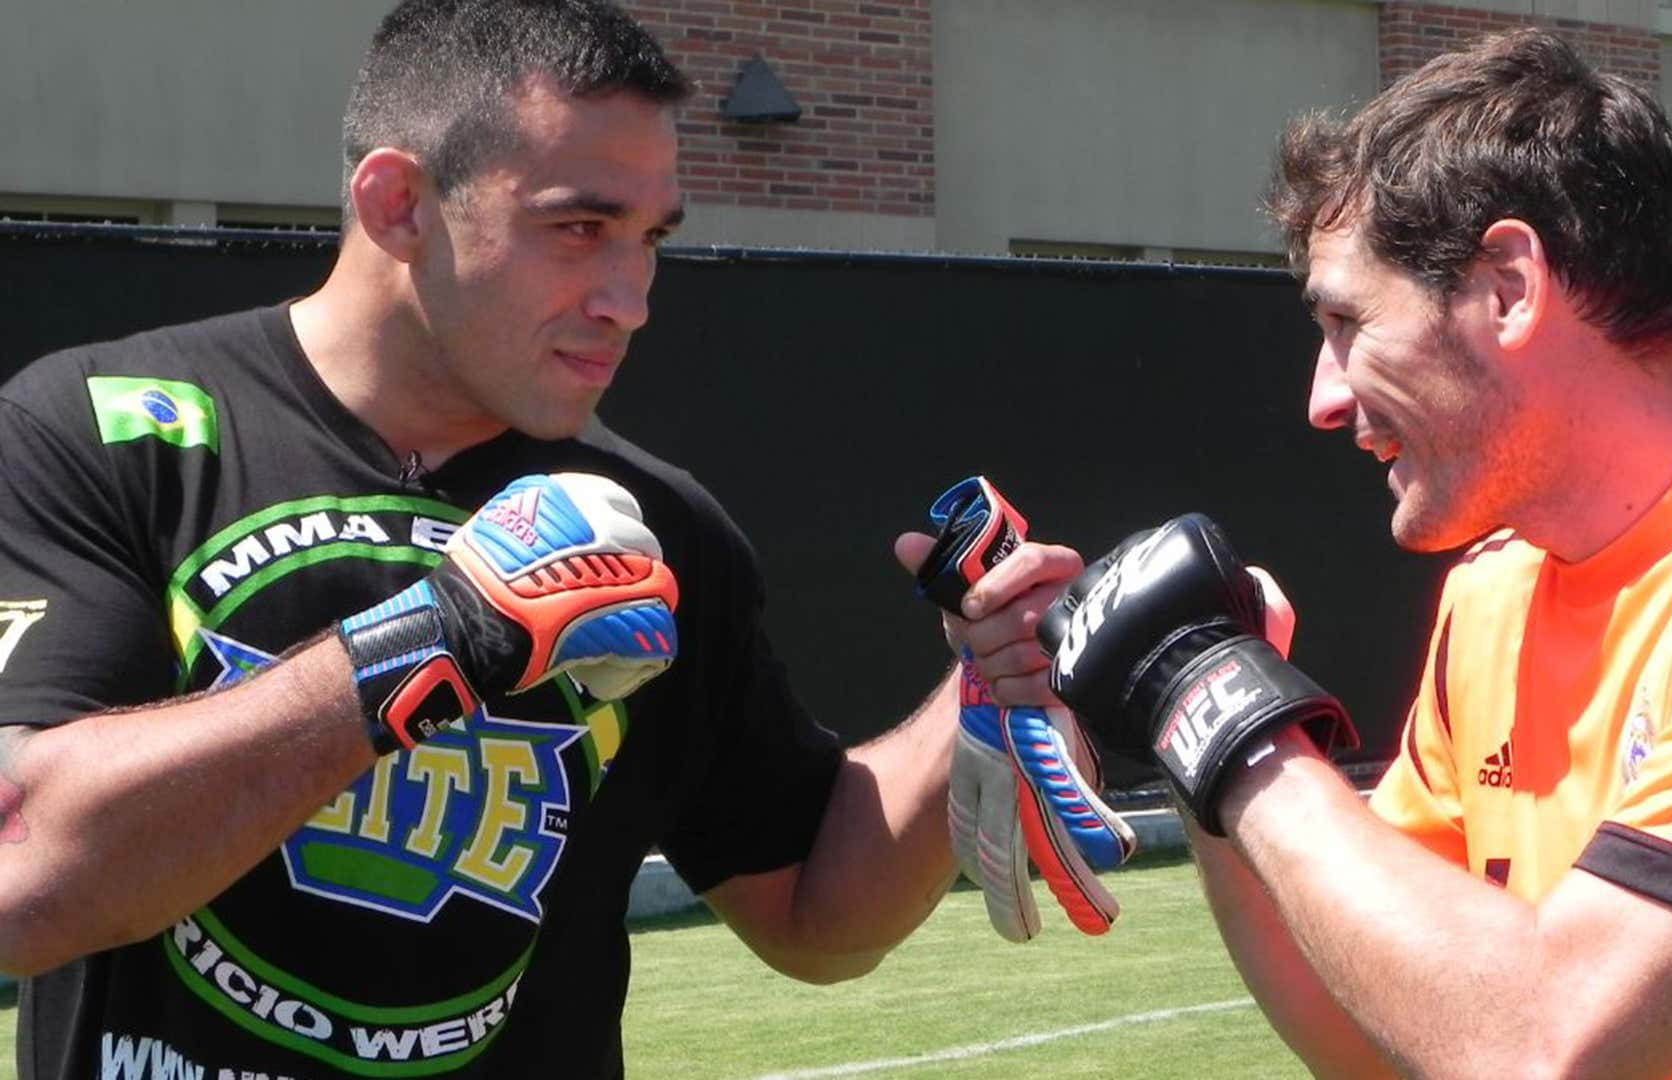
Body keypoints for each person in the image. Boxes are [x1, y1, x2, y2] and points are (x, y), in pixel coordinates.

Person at [0, 2, 1007, 1076]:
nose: (631, 301)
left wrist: (993, 685)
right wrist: (438, 640)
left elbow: (811, 913)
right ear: (398, 205)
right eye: (579, 227)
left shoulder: (661, 526)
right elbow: (22, 883)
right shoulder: (101, 431)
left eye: (651, 238)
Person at [995, 28, 1672, 1079]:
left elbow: (1543, 1048)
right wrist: (1202, 768)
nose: (1323, 396)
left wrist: (1223, 712)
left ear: (1511, 288)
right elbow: (1381, 1041)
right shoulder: (1492, 591)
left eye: (1348, 322)